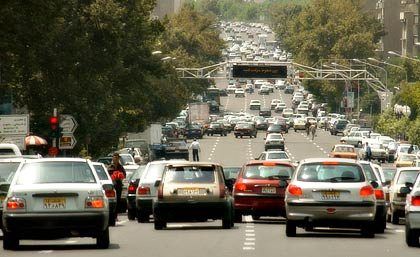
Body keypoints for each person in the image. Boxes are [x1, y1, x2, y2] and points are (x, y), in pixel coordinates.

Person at [108, 153, 126, 220]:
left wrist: (120, 175)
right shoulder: (110, 167)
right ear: (112, 158)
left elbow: (124, 174)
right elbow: (107, 175)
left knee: (118, 201)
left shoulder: (120, 167)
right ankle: (111, 216)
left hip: (118, 186)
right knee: (112, 201)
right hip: (111, 186)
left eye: (117, 158)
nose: (115, 159)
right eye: (114, 158)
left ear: (118, 159)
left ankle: (115, 216)